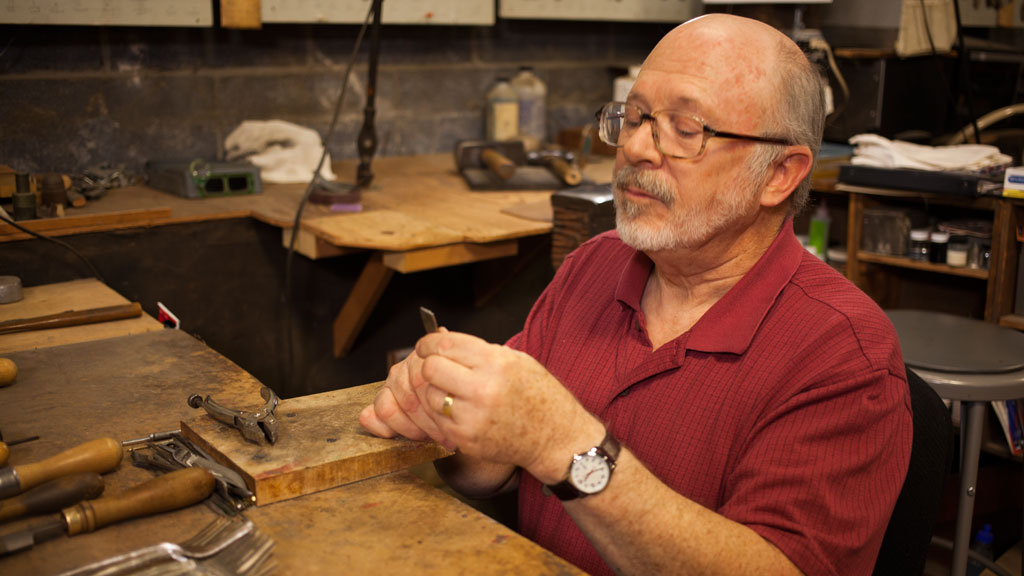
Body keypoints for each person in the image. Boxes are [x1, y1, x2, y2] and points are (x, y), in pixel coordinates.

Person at [360, 13, 912, 576]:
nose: (638, 149)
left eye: (686, 129)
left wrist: (565, 445)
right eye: (635, 116)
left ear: (779, 174)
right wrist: (446, 415)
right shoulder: (594, 265)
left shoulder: (847, 357)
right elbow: (494, 471)